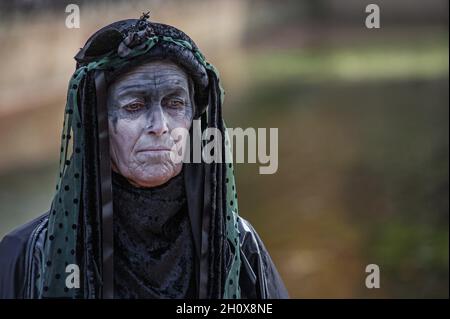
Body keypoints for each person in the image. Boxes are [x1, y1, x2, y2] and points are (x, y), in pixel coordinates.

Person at [0, 13, 288, 299]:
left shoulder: (237, 245)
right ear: (97, 124)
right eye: (134, 106)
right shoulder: (31, 255)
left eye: (175, 104)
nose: (161, 127)